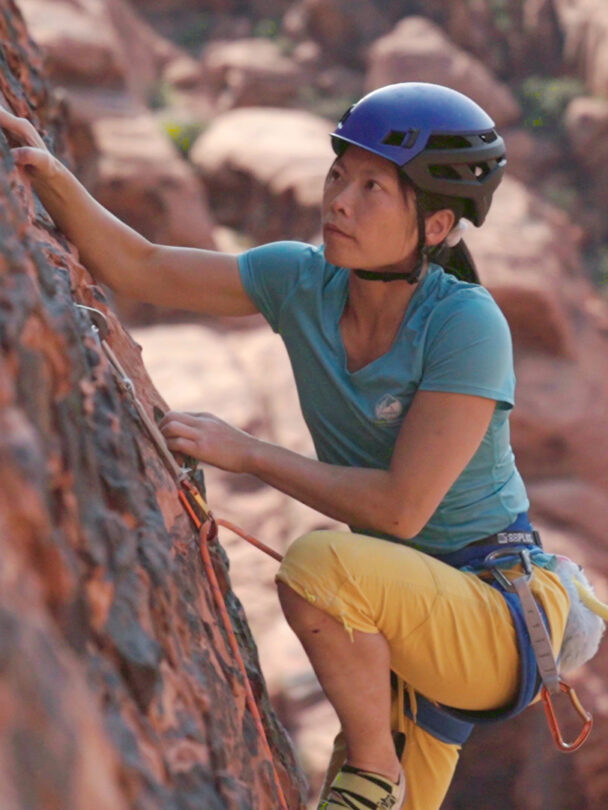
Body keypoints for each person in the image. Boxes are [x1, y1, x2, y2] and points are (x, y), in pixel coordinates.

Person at [1, 83, 600, 810]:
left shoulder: (465, 326)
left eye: (373, 188)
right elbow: (144, 267)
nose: (339, 201)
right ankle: (374, 776)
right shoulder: (302, 282)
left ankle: (375, 770)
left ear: (438, 224)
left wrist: (248, 452)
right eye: (338, 175)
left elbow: (402, 510)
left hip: (489, 613)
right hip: (393, 612)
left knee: (316, 566)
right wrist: (47, 172)